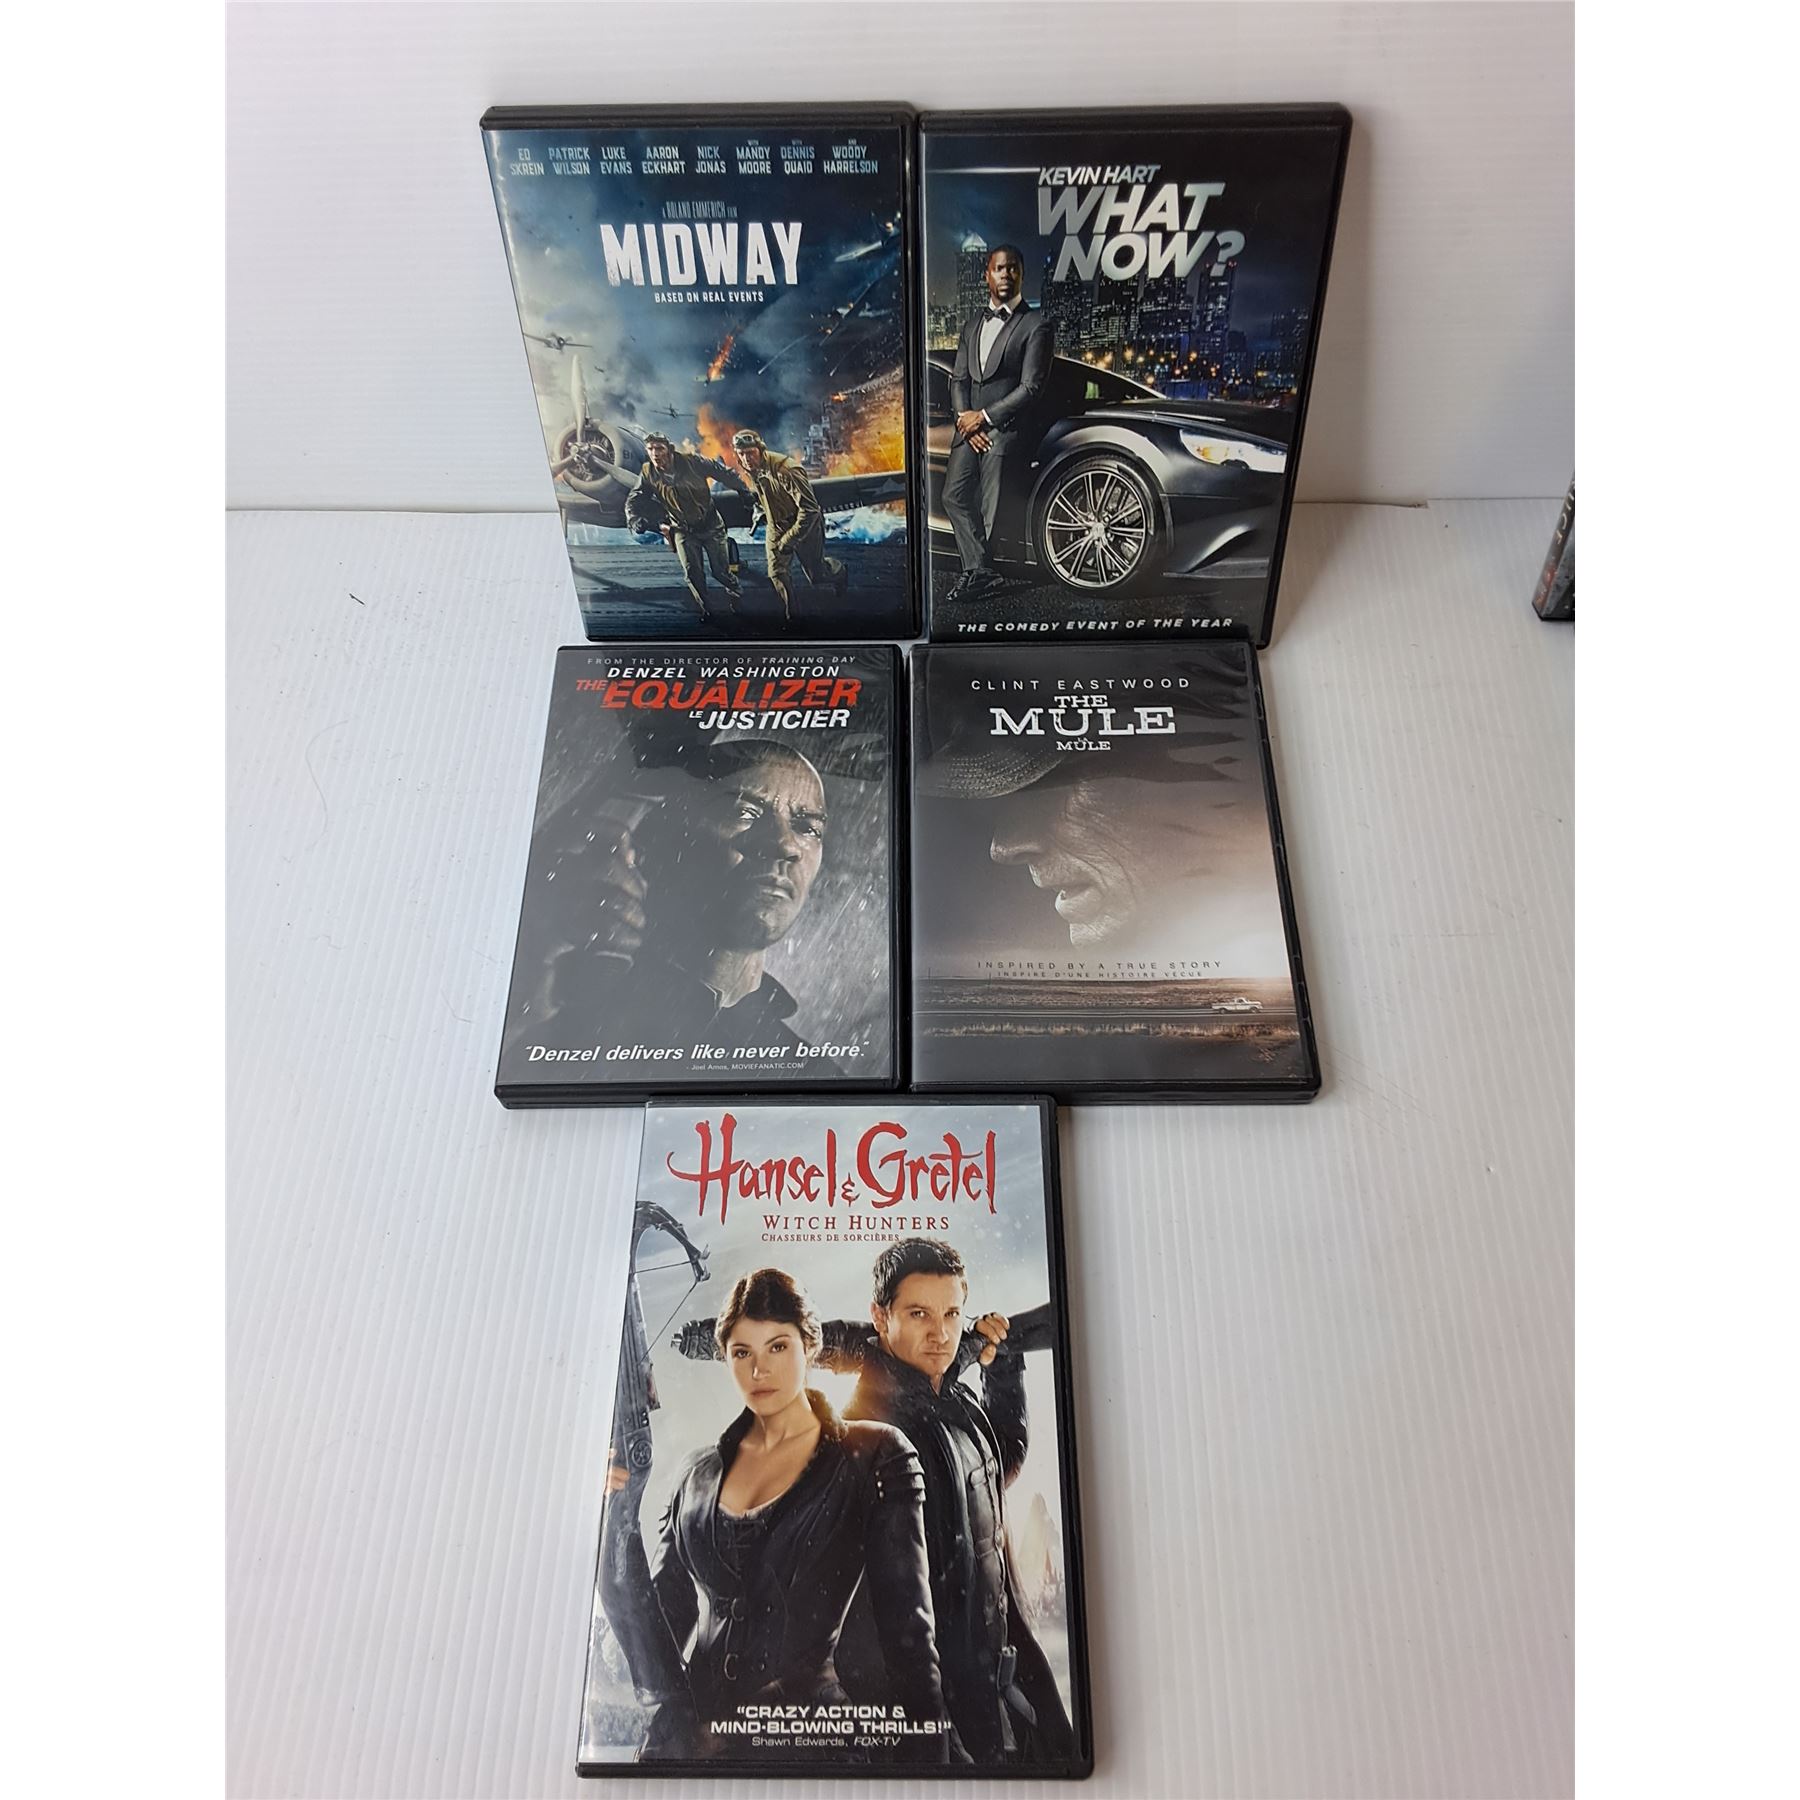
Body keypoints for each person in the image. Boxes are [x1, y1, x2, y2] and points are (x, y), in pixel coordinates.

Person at [608, 1268, 948, 1758]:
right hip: (689, 1750)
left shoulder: (872, 1453)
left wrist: (933, 1773)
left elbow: (910, 1640)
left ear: (810, 1346)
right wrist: (615, 1516)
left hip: (809, 1744)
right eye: (741, 1352)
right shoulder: (696, 1473)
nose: (758, 1370)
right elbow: (662, 1628)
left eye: (778, 1347)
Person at [844, 1239, 1073, 1764]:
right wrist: (932, 1731)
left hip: (1004, 1680)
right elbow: (865, 1623)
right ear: (880, 1317)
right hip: (941, 1709)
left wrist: (1001, 1368)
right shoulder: (865, 1432)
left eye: (951, 1313)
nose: (941, 1333)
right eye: (919, 1314)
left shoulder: (953, 1398)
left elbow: (994, 1469)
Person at [508, 738, 834, 1058]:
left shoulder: (813, 1073)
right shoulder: (567, 1028)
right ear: (666, 839)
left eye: (807, 827)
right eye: (744, 812)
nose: (785, 845)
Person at [943, 244, 1054, 602]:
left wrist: (986, 418)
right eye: (999, 268)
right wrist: (965, 419)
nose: (1006, 274)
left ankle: (978, 574)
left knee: (991, 505)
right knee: (953, 496)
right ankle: (982, 570)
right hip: (970, 430)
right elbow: (958, 380)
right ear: (987, 275)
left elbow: (1031, 387)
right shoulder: (971, 326)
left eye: (1013, 269)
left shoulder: (1036, 325)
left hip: (1006, 430)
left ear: (1021, 275)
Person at [623, 432, 750, 621]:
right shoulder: (648, 472)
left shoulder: (694, 462)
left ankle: (736, 594)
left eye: (659, 448)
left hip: (710, 526)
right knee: (692, 574)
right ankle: (708, 610)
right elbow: (634, 499)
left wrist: (744, 492)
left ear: (670, 450)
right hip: (682, 530)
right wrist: (634, 519)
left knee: (720, 572)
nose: (655, 453)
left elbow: (724, 473)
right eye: (650, 449)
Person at [730, 429, 847, 621]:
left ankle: (840, 572)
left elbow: (810, 510)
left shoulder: (786, 470)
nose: (746, 458)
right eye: (741, 454)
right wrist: (761, 509)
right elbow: (765, 493)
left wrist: (790, 539)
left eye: (750, 453)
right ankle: (793, 615)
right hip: (776, 525)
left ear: (760, 450)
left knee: (817, 576)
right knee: (777, 573)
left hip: (804, 524)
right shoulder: (752, 468)